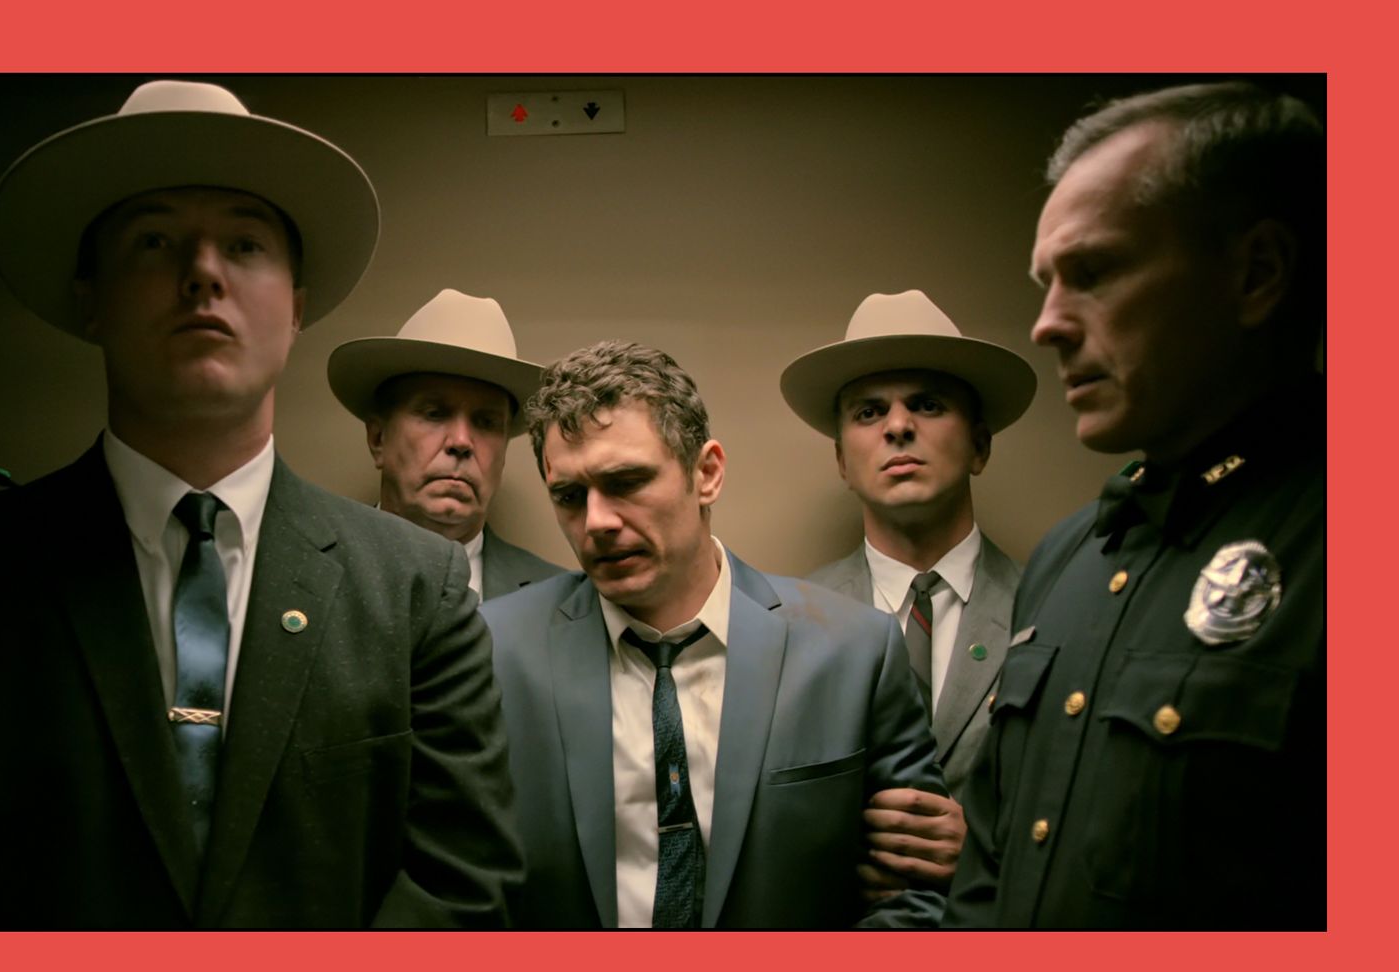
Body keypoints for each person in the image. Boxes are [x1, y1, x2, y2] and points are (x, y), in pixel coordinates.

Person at [0, 80, 523, 928]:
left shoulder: (417, 589)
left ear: (296, 307)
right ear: (91, 298)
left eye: (244, 243)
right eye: (155, 240)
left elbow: (464, 883)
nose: (202, 272)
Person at [945, 81, 1325, 928]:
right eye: (1046, 284)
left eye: (1094, 272)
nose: (1045, 324)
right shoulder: (1073, 553)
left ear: (1257, 272)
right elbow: (989, 874)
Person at [480, 340, 949, 928]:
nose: (596, 522)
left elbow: (920, 893)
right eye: (570, 497)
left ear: (706, 474)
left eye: (626, 482)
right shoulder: (495, 651)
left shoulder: (854, 652)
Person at [781, 289, 1036, 893]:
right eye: (869, 412)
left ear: (980, 446)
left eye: (927, 404)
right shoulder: (786, 624)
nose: (898, 426)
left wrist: (988, 850)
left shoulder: (1049, 610)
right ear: (842, 461)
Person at [327, 288, 565, 599]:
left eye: (486, 422)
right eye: (434, 413)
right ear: (378, 439)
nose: (461, 442)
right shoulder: (308, 572)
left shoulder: (559, 603)